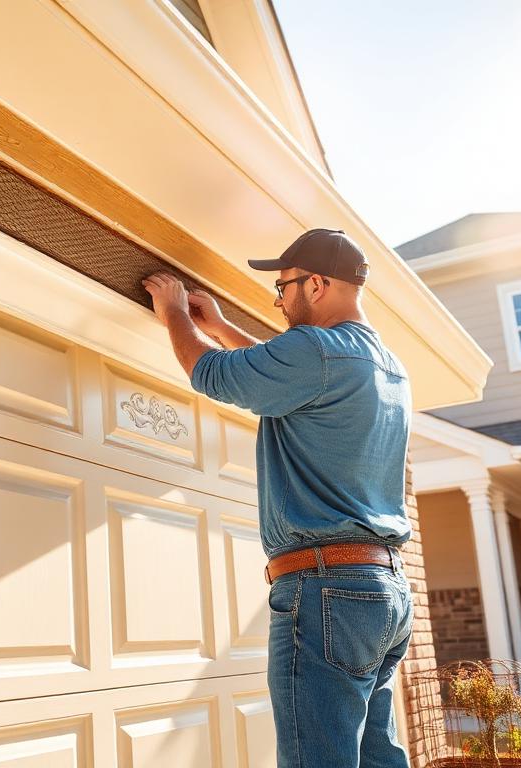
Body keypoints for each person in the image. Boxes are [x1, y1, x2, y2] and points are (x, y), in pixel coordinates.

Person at [142, 228, 414, 768]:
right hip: (385, 593)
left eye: (283, 287)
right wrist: (219, 326)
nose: (281, 301)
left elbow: (213, 374)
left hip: (326, 590)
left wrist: (174, 311)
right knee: (375, 756)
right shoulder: (385, 365)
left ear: (315, 284)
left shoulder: (316, 349)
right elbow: (285, 375)